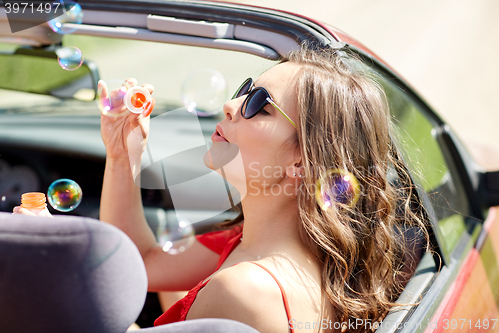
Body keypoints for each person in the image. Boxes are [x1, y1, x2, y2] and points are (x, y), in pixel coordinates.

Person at [98, 45, 428, 333]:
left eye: (259, 103)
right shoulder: (267, 248)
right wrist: (121, 154)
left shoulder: (242, 291)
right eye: (245, 90)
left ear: (303, 162)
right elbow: (140, 261)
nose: (231, 104)